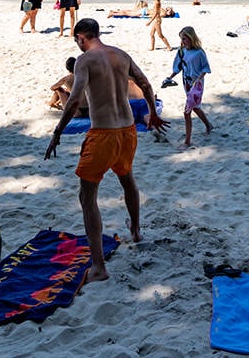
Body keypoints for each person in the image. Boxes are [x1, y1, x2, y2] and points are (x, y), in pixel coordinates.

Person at [45, 19, 167, 284]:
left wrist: (57, 132)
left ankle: (98, 267)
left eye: (76, 39)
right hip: (128, 130)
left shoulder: (84, 60)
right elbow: (146, 84)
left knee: (87, 197)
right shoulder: (121, 55)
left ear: (81, 37)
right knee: (127, 179)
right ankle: (135, 231)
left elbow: (76, 98)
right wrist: (153, 114)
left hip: (103, 134)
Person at [172, 26, 213, 148]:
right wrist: (170, 77)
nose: (183, 41)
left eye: (184, 38)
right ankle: (208, 125)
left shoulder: (199, 53)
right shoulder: (181, 51)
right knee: (195, 107)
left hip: (197, 85)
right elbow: (178, 67)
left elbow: (206, 68)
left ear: (191, 38)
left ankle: (187, 142)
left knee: (187, 112)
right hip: (186, 83)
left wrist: (198, 79)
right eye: (181, 39)